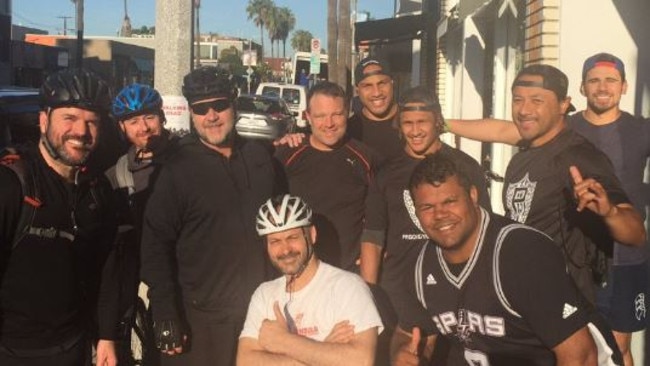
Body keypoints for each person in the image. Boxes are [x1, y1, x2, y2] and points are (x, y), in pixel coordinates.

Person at [446, 58, 649, 365]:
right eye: (518, 100)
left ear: (564, 104)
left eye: (537, 101)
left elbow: (634, 232)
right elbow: (499, 128)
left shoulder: (579, 154)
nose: (524, 109)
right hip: (525, 302)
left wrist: (608, 212)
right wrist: (440, 123)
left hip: (567, 309)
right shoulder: (525, 153)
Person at [390, 153, 622, 366]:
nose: (440, 214)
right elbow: (410, 333)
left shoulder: (521, 253)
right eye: (427, 207)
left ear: (472, 196)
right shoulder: (421, 265)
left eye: (450, 202)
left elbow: (580, 356)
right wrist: (402, 353)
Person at [140, 66, 282, 366]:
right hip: (199, 322)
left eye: (219, 105)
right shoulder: (176, 169)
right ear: (192, 114)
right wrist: (165, 313)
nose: (211, 116)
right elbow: (155, 246)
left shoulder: (261, 158)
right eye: (201, 109)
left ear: (234, 104)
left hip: (259, 315)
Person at [0, 69, 119, 365]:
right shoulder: (12, 182)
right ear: (43, 121)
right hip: (12, 351)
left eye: (92, 122)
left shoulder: (96, 188)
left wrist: (106, 335)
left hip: (74, 347)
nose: (81, 131)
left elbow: (107, 267)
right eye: (70, 118)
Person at [237, 194, 383, 365]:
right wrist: (323, 350)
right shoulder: (264, 294)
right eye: (275, 241)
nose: (285, 250)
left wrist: (284, 342)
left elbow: (361, 361)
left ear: (312, 235)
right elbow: (245, 361)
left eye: (292, 237)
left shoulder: (348, 287)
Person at [105, 83, 179, 364]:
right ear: (122, 128)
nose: (144, 127)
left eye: (149, 117)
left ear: (162, 117)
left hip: (186, 274)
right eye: (133, 121)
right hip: (141, 281)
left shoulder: (188, 157)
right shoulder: (115, 174)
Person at [274, 81, 376, 272]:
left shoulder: (365, 158)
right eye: (320, 116)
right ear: (308, 117)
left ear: (347, 114)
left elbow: (377, 219)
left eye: (336, 114)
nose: (329, 124)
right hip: (298, 271)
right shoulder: (287, 154)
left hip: (348, 272)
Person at [347, 57, 403, 164]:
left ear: (392, 83)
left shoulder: (412, 122)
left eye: (382, 83)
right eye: (367, 86)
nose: (377, 93)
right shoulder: (349, 130)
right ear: (357, 90)